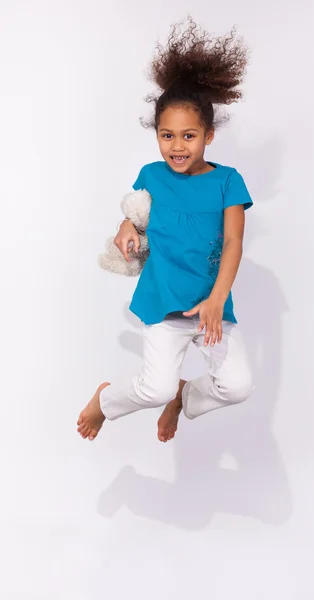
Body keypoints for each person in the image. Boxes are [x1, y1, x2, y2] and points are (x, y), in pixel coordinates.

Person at [77, 17, 254, 443]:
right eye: (167, 135)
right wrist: (125, 229)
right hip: (164, 304)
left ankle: (185, 399)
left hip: (210, 308)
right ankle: (105, 402)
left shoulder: (228, 181)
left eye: (189, 136)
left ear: (209, 135)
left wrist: (215, 300)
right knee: (152, 388)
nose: (177, 146)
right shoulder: (152, 175)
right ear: (156, 134)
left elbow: (233, 242)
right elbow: (135, 213)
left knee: (238, 386)